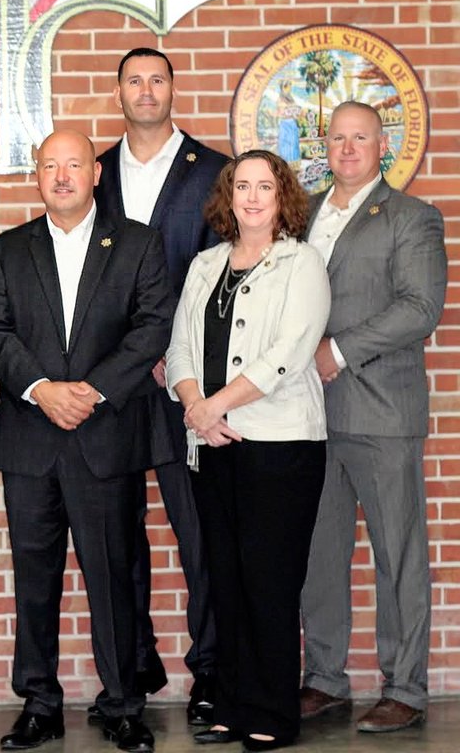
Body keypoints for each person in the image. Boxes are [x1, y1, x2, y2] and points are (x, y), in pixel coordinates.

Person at [0, 129, 174, 753]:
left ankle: (121, 703)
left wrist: (89, 389)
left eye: (74, 165)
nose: (61, 176)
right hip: (31, 437)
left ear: (96, 173)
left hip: (106, 435)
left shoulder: (138, 243)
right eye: (49, 165)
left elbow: (152, 326)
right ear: (37, 175)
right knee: (35, 577)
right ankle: (39, 703)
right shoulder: (9, 248)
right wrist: (41, 388)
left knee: (114, 575)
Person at [166, 149, 331, 751]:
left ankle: (271, 711)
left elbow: (288, 353)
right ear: (228, 197)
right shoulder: (206, 264)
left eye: (266, 186)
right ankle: (231, 705)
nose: (254, 197)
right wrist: (195, 407)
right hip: (211, 444)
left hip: (279, 446)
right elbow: (180, 346)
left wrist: (218, 405)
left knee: (269, 582)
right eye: (243, 186)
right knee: (226, 579)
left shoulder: (301, 262)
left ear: (282, 196)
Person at [299, 101, 447, 733]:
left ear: (381, 144)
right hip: (308, 416)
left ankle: (406, 687)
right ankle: (325, 680)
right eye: (338, 138)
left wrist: (339, 349)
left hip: (383, 411)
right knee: (319, 555)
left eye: (361, 138)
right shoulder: (301, 214)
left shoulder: (412, 217)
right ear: (324, 145)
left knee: (398, 554)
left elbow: (421, 307)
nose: (348, 148)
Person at [93, 47, 228, 725]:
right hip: (114, 382)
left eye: (158, 79)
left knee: (198, 531)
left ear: (174, 87)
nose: (146, 91)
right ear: (118, 91)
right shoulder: (95, 171)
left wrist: (171, 354)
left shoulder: (214, 171)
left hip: (186, 381)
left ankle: (210, 675)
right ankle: (133, 670)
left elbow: (224, 274)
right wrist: (126, 357)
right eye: (134, 80)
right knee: (119, 533)